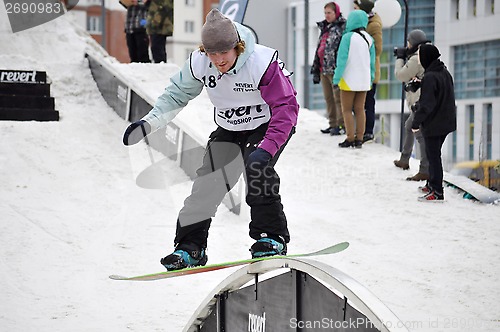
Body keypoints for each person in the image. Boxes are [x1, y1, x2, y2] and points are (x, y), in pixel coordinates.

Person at [122, 9, 299, 270]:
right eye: (211, 53)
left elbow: (286, 107)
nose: (218, 60)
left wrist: (268, 148)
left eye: (223, 53)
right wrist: (149, 123)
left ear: (237, 47)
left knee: (257, 169)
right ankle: (190, 247)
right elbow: (175, 96)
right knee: (207, 184)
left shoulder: (260, 62)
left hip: (267, 124)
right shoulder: (200, 62)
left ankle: (271, 237)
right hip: (229, 128)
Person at [412, 44, 456, 202]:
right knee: (433, 154)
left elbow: (427, 105)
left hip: (435, 123)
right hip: (446, 121)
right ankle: (431, 183)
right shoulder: (443, 72)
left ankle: (437, 191)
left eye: (420, 57)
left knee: (433, 155)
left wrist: (415, 123)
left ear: (426, 58)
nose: (419, 60)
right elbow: (439, 97)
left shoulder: (431, 77)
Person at [333, 9, 375, 148]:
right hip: (364, 80)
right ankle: (359, 139)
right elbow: (372, 62)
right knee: (360, 109)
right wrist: (371, 78)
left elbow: (342, 61)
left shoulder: (347, 37)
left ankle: (350, 138)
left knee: (347, 110)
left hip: (348, 80)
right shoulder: (369, 38)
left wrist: (336, 78)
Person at [393, 29, 430, 181]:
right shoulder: (426, 53)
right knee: (409, 126)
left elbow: (401, 75)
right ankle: (404, 160)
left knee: (419, 134)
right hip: (424, 100)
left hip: (420, 102)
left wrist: (400, 58)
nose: (407, 46)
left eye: (408, 43)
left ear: (413, 43)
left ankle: (424, 170)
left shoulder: (417, 58)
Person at [311, 2, 346, 136]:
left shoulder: (341, 27)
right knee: (328, 98)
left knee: (338, 98)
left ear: (336, 12)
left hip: (334, 68)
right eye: (325, 13)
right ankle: (332, 124)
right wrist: (315, 69)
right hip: (323, 68)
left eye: (329, 13)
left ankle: (340, 124)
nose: (327, 16)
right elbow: (320, 48)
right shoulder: (325, 27)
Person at [353, 0, 382, 143]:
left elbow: (377, 49)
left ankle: (368, 132)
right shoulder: (364, 24)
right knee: (359, 103)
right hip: (360, 70)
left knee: (368, 102)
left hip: (369, 71)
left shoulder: (373, 25)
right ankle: (360, 130)